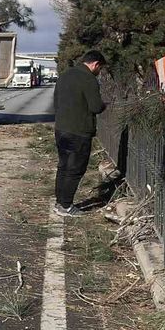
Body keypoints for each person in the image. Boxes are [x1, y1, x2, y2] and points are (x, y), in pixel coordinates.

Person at [52, 50, 107, 217]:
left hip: (61, 128)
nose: (99, 72)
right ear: (96, 64)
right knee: (76, 168)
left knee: (63, 166)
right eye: (100, 68)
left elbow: (55, 100)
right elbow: (96, 107)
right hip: (79, 130)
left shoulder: (65, 75)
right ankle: (66, 206)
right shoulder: (89, 79)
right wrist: (105, 105)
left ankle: (60, 201)